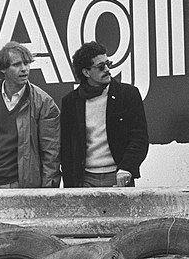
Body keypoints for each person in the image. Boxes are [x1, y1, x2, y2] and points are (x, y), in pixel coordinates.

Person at [60, 41, 149, 188]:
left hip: (119, 176)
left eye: (108, 63)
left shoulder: (127, 95)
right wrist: (71, 186)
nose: (107, 69)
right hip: (85, 180)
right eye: (101, 67)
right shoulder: (71, 102)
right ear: (86, 72)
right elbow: (66, 148)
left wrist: (127, 168)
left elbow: (139, 137)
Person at [0, 42, 61, 188]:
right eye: (17, 65)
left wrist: (48, 192)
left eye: (26, 63)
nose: (24, 69)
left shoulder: (43, 102)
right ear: (3, 69)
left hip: (23, 185)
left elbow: (51, 154)